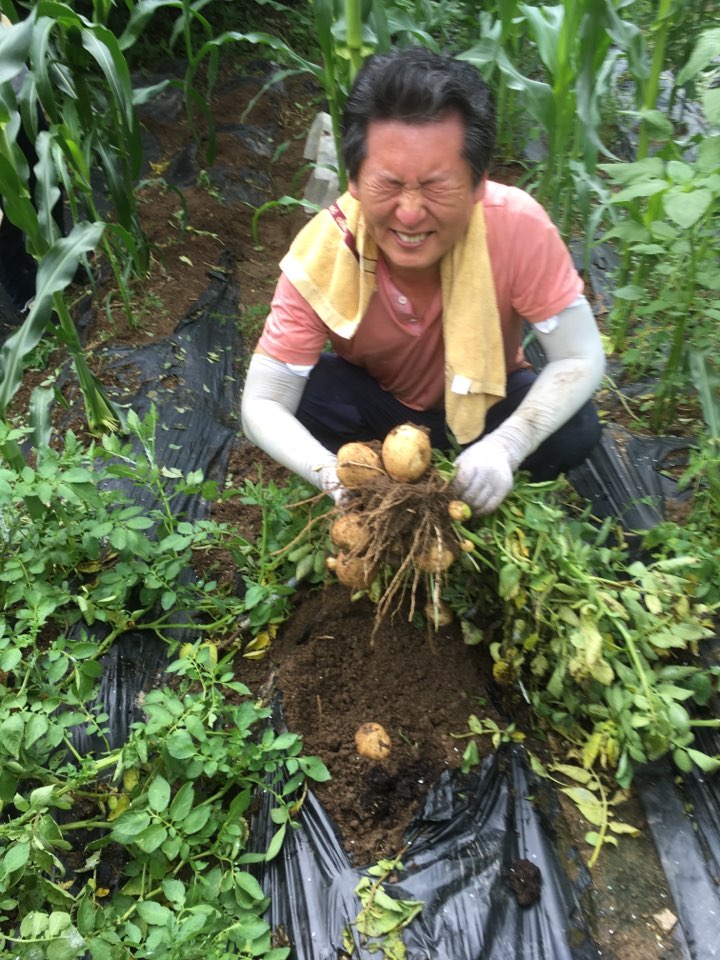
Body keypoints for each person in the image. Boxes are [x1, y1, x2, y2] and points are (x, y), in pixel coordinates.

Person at [241, 46, 604, 515]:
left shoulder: (517, 226)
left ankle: (483, 476)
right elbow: (262, 404)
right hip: (379, 406)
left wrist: (508, 445)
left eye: (437, 186)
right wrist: (333, 475)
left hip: (485, 401)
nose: (410, 215)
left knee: (576, 426)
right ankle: (379, 482)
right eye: (388, 184)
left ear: (477, 185)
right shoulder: (326, 250)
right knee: (309, 394)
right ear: (352, 180)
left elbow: (580, 354)